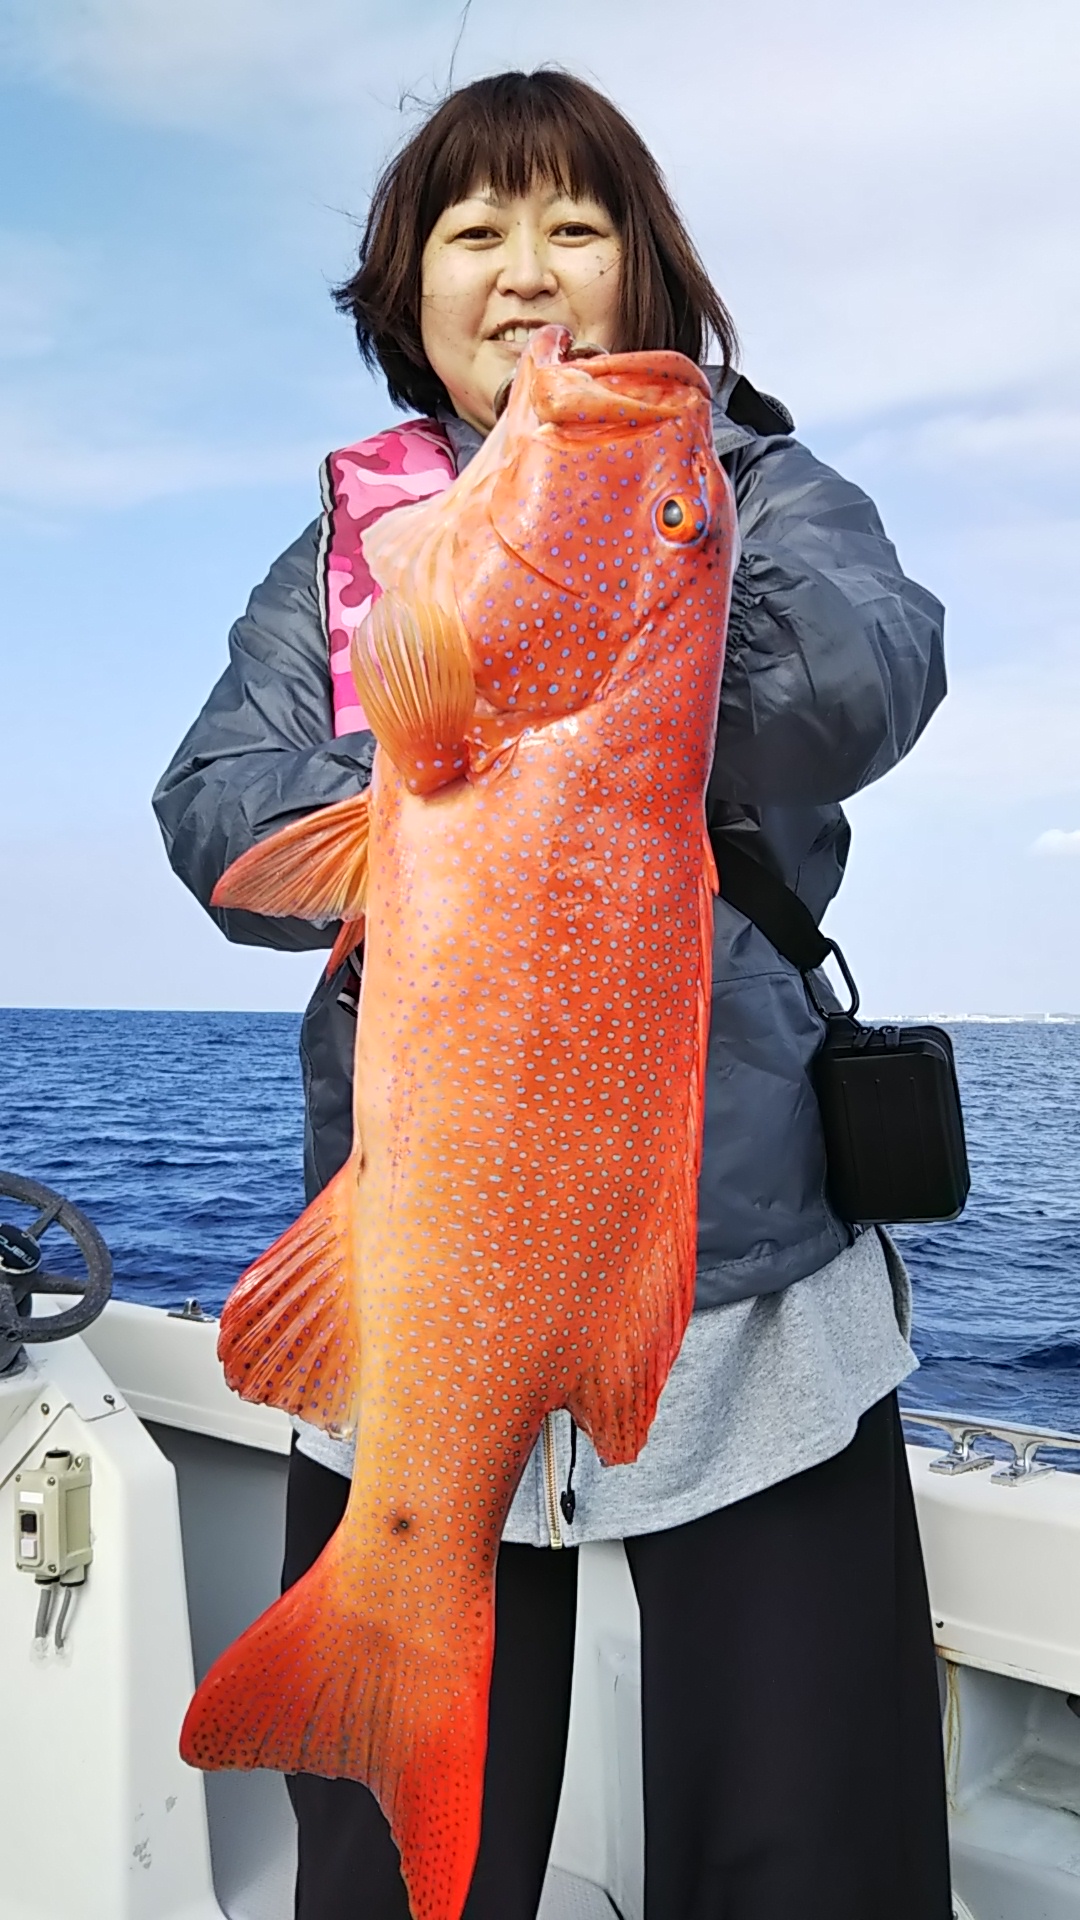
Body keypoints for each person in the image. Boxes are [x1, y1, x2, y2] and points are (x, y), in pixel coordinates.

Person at [154, 68, 952, 1920]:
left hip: (744, 1275)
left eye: (576, 228)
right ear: (406, 294)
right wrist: (429, 786)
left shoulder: (739, 482)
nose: (528, 274)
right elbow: (214, 813)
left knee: (812, 1851)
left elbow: (871, 677)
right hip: (428, 1262)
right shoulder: (346, 554)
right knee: (391, 1875)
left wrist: (653, 578)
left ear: (645, 276)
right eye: (476, 232)